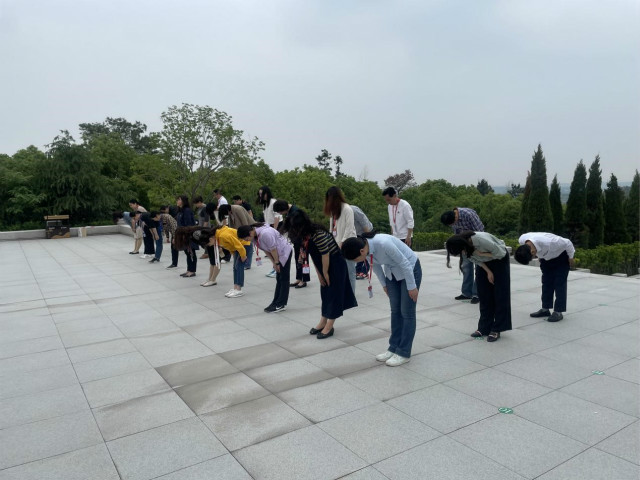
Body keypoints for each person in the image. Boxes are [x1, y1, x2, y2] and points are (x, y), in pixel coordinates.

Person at [342, 232, 421, 366]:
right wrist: (384, 285)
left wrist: (412, 286)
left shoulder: (383, 243)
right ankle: (393, 347)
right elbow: (376, 266)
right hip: (392, 272)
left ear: (361, 251)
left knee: (407, 312)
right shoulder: (365, 248)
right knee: (395, 310)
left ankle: (404, 352)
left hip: (410, 269)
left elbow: (405, 263)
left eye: (356, 260)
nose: (357, 263)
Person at [284, 210, 357, 339]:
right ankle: (323, 321)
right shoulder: (305, 236)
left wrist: (325, 273)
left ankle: (329, 325)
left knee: (334, 294)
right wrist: (319, 274)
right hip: (323, 265)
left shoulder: (318, 234)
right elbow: (313, 256)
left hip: (335, 264)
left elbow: (325, 255)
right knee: (325, 293)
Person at [445, 231, 511, 342]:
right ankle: (484, 327)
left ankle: (497, 328)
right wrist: (488, 271)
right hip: (484, 263)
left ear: (463, 245)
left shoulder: (480, 240)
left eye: (461, 251)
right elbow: (474, 259)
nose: (462, 253)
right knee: (484, 295)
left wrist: (481, 253)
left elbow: (501, 253)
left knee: (500, 295)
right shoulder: (465, 247)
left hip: (499, 260)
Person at [515, 232, 575, 322]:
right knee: (546, 283)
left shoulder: (551, 242)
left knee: (559, 284)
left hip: (561, 257)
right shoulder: (522, 239)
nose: (534, 256)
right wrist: (541, 256)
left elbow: (568, 243)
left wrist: (570, 257)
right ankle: (545, 309)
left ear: (533, 252)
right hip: (546, 259)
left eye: (533, 256)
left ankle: (558, 312)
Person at [174, 225, 250, 296]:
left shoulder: (221, 236)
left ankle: (237, 289)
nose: (209, 245)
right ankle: (235, 287)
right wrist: (233, 253)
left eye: (208, 244)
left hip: (242, 245)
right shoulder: (218, 236)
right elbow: (231, 246)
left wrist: (243, 256)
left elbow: (239, 245)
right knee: (234, 267)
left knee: (236, 267)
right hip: (232, 246)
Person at [238, 223, 292, 312]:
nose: (246, 240)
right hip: (277, 254)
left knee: (284, 279)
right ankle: (275, 302)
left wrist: (277, 262)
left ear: (250, 233)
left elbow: (273, 249)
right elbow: (266, 250)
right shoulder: (255, 237)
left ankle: (281, 304)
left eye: (246, 238)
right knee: (279, 278)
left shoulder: (265, 234)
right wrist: (274, 263)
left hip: (284, 252)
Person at [441, 208, 484, 304]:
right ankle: (466, 293)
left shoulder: (469, 215)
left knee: (479, 269)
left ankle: (477, 294)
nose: (452, 225)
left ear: (456, 217)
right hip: (465, 245)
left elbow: (480, 230)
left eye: (453, 223)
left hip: (477, 244)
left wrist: (476, 247)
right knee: (466, 268)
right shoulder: (451, 218)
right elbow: (457, 234)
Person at [324, 186, 357, 293]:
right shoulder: (333, 211)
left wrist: (342, 243)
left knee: (350, 271)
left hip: (348, 245)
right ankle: (342, 293)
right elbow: (331, 228)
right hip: (336, 244)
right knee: (339, 271)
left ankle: (351, 294)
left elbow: (349, 228)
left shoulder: (347, 209)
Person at [274, 200, 310, 289]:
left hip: (302, 239)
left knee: (303, 259)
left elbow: (298, 228)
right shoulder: (290, 211)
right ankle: (299, 278)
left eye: (280, 211)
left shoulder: (296, 212)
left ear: (283, 208)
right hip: (297, 240)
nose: (280, 213)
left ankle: (304, 280)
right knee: (298, 258)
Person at [218, 203, 255, 268]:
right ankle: (243, 262)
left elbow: (245, 221)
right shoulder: (230, 212)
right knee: (242, 246)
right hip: (240, 231)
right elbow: (231, 224)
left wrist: (246, 232)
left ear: (227, 210)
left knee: (248, 245)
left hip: (247, 228)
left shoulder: (238, 209)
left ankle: (247, 264)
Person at [257, 186, 282, 278]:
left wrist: (274, 230)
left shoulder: (273, 202)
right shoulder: (265, 204)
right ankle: (274, 267)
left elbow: (277, 217)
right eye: (259, 194)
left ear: (267, 193)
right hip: (268, 226)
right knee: (271, 249)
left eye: (262, 194)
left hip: (275, 226)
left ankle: (278, 268)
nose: (260, 195)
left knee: (276, 249)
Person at [175, 195, 198, 277]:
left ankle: (192, 270)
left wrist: (186, 235)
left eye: (179, 199)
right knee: (187, 252)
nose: (177, 201)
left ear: (183, 201)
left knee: (191, 252)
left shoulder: (187, 210)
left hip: (188, 235)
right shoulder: (180, 211)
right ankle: (189, 269)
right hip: (182, 234)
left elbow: (189, 224)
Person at [351, 205, 373, 280]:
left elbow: (364, 221)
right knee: (360, 252)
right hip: (357, 234)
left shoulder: (353, 210)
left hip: (366, 231)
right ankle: (358, 270)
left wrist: (367, 236)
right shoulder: (341, 213)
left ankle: (365, 271)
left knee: (366, 252)